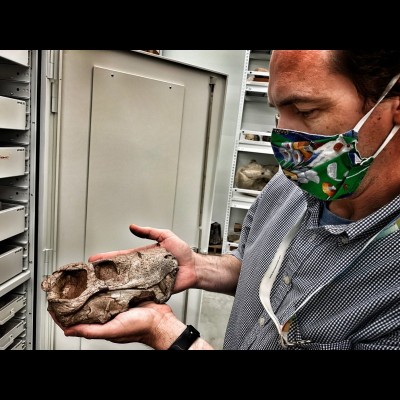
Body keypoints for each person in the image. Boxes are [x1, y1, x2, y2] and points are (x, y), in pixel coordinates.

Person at [51, 50, 400, 350]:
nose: (280, 141)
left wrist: (170, 336)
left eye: (306, 110)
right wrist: (198, 267)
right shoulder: (290, 184)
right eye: (278, 111)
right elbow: (253, 267)